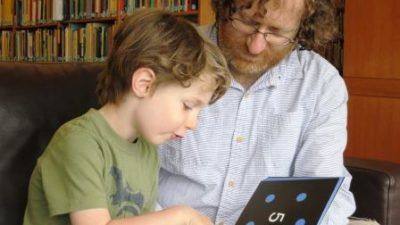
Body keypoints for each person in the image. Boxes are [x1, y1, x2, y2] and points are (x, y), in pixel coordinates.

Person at [23, 9, 231, 225]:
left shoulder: (147, 151)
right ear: (144, 84)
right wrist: (179, 216)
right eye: (188, 106)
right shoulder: (78, 141)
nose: (193, 124)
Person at [158, 0, 356, 225]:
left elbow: (321, 192)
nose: (255, 46)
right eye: (246, 23)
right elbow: (120, 165)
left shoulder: (321, 84)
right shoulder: (171, 53)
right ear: (223, 9)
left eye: (277, 33)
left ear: (302, 31)